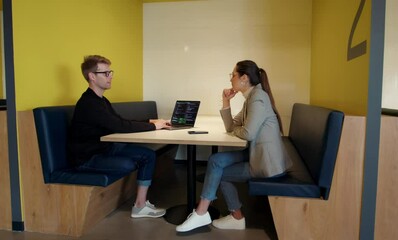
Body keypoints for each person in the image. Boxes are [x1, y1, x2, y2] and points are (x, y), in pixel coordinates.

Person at [176, 60, 292, 232]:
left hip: (266, 163)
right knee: (216, 160)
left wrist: (240, 129)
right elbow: (231, 127)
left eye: (233, 75)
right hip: (256, 153)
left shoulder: (258, 98)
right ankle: (212, 214)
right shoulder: (251, 98)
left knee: (220, 172)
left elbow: (248, 134)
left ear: (244, 78)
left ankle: (212, 214)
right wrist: (226, 102)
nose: (231, 79)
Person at [69, 55, 170, 218]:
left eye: (111, 72)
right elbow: (120, 126)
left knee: (149, 155)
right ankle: (140, 206)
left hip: (105, 149)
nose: (111, 76)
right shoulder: (89, 103)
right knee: (135, 160)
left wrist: (151, 120)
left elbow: (119, 121)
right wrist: (153, 126)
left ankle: (140, 204)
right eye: (106, 73)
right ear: (92, 77)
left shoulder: (101, 100)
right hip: (88, 158)